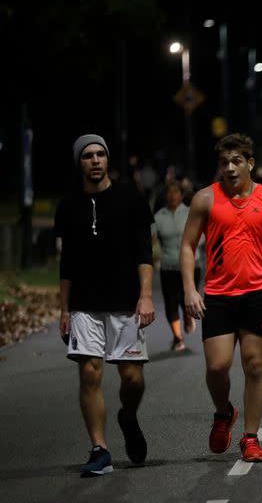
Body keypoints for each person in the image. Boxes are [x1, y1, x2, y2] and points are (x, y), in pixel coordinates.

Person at [180, 133, 262, 463]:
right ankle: (224, 413)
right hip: (218, 295)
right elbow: (188, 246)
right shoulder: (205, 199)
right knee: (218, 367)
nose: (230, 168)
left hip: (258, 294)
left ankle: (250, 437)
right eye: (224, 163)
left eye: (236, 161)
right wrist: (189, 289)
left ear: (250, 163)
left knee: (255, 365)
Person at [54, 134, 155, 477]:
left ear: (107, 160)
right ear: (78, 163)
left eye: (100, 154)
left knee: (133, 380)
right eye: (87, 156)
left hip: (126, 302)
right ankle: (100, 449)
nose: (95, 160)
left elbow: (144, 252)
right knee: (89, 372)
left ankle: (127, 416)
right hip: (84, 303)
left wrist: (145, 295)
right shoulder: (68, 206)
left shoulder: (130, 198)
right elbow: (66, 263)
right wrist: (64, 309)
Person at [153, 180, 203, 351]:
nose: (172, 195)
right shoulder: (159, 217)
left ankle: (188, 315)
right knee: (170, 302)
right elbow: (153, 242)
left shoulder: (190, 213)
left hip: (191, 265)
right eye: (169, 192)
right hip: (168, 266)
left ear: (181, 195)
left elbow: (201, 236)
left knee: (186, 298)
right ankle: (177, 337)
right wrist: (155, 255)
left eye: (176, 192)